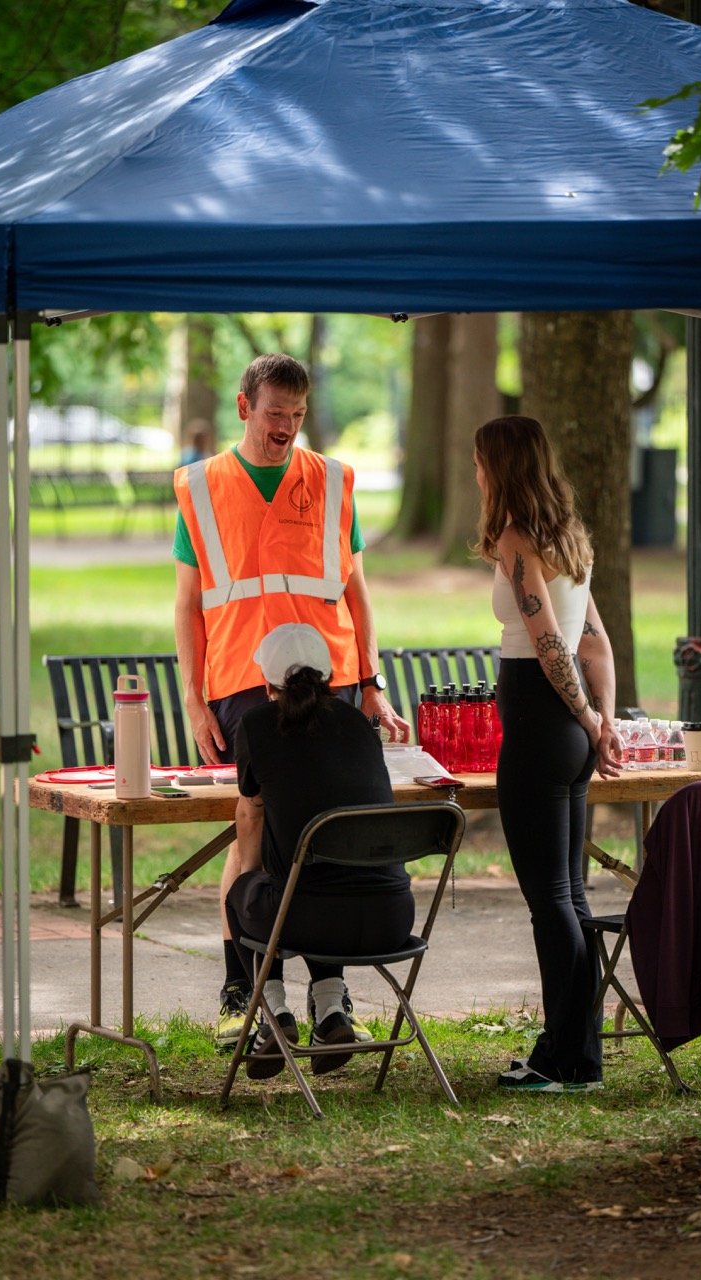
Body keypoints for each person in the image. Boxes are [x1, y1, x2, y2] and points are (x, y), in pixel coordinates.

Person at [173, 353, 409, 1051]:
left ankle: (328, 998)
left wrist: (372, 684)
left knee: (322, 828)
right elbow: (188, 605)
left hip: (330, 681)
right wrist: (193, 701)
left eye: (298, 415)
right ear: (244, 407)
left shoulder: (333, 480)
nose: (286, 427)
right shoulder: (201, 486)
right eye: (275, 413)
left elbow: (357, 592)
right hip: (242, 683)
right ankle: (245, 993)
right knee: (257, 828)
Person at [473, 415, 622, 1092]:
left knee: (551, 900)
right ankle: (574, 1053)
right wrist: (602, 721)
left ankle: (564, 1059)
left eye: (481, 462)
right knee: (572, 897)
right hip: (571, 735)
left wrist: (589, 716)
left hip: (541, 727)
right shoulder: (571, 538)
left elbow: (551, 643)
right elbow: (597, 641)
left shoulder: (518, 540)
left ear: (502, 467)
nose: (476, 474)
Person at [228, 623, 415, 1078]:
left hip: (305, 919)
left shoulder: (257, 725)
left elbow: (251, 813)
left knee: (251, 893)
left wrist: (252, 881)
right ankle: (331, 1012)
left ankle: (272, 1014)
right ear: (329, 677)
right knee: (323, 878)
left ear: (268, 685)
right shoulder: (358, 724)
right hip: (392, 919)